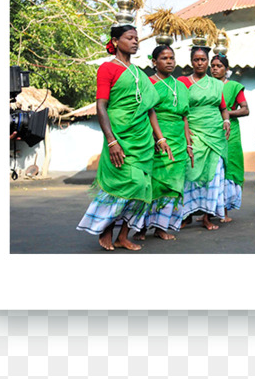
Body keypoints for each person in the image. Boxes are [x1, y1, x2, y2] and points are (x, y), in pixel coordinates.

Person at [76, 24, 171, 251]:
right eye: (130, 38)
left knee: (142, 187)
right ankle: (107, 230)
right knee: (123, 184)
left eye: (137, 38)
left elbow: (150, 109)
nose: (135, 42)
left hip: (143, 140)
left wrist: (160, 139)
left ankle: (123, 235)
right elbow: (101, 105)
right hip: (119, 136)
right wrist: (111, 140)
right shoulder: (107, 69)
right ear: (116, 41)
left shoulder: (140, 74)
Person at [134, 45, 191, 241]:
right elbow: (148, 112)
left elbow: (185, 117)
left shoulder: (181, 86)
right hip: (156, 138)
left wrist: (189, 144)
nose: (169, 61)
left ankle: (161, 227)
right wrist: (159, 138)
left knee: (172, 186)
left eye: (172, 58)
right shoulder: (148, 83)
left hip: (179, 140)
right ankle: (141, 227)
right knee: (153, 184)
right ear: (154, 62)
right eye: (164, 58)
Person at [171, 46, 230, 231]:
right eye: (196, 59)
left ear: (207, 62)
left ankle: (207, 216)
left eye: (203, 60)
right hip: (194, 132)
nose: (200, 63)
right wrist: (187, 137)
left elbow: (223, 107)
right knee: (190, 173)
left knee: (214, 175)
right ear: (191, 62)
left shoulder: (216, 84)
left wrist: (226, 120)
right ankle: (186, 215)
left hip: (216, 135)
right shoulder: (182, 82)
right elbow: (183, 112)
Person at [211, 54, 249, 223]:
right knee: (211, 169)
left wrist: (225, 114)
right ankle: (209, 211)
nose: (215, 68)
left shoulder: (233, 86)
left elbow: (245, 109)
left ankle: (224, 212)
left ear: (226, 69)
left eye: (219, 66)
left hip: (229, 132)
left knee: (228, 169)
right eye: (212, 65)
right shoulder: (206, 85)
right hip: (209, 130)